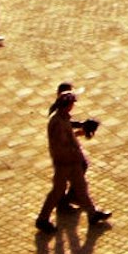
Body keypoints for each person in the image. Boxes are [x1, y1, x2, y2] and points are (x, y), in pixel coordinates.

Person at [36, 84, 109, 233]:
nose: (73, 106)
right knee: (58, 191)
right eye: (72, 103)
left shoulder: (63, 118)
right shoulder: (57, 122)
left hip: (72, 161)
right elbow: (60, 145)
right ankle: (42, 219)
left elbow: (69, 135)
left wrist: (82, 130)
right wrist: (74, 154)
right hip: (65, 163)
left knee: (81, 188)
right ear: (67, 105)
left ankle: (92, 214)